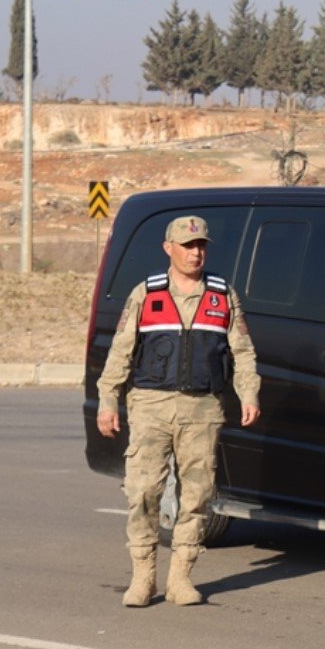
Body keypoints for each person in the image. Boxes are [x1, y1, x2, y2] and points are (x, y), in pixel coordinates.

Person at [95, 216, 260, 608]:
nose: (196, 252)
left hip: (202, 409)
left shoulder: (222, 295)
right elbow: (120, 351)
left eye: (201, 245)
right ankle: (143, 577)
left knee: (197, 495)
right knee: (143, 491)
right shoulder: (146, 293)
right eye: (187, 245)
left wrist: (249, 394)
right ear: (168, 248)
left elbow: (242, 352)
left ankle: (182, 577)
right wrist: (107, 400)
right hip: (151, 406)